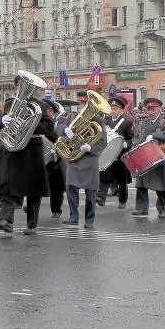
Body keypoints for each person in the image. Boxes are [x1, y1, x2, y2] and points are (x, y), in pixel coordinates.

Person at [0, 96, 52, 236]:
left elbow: (48, 127)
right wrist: (1, 120)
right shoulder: (10, 104)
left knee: (33, 189)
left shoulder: (40, 105)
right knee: (10, 185)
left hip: (32, 150)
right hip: (14, 149)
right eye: (18, 84)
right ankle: (6, 220)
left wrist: (27, 123)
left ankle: (32, 225)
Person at [58, 91, 106, 229]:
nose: (82, 106)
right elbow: (59, 127)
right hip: (74, 157)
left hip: (89, 158)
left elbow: (103, 142)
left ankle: (89, 220)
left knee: (90, 190)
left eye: (84, 103)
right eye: (80, 103)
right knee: (71, 186)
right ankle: (73, 217)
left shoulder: (98, 120)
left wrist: (90, 147)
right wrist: (65, 129)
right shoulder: (72, 116)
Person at [131, 97, 165, 220]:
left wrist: (153, 135)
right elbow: (136, 136)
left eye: (153, 109)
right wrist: (135, 144)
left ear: (159, 109)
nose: (150, 112)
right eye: (148, 109)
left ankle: (161, 208)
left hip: (160, 155)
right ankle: (141, 208)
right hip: (144, 155)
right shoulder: (142, 123)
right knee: (141, 184)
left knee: (161, 184)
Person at [97, 97, 134, 209]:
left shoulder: (127, 122)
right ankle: (101, 197)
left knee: (121, 180)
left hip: (120, 155)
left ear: (121, 110)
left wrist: (126, 144)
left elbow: (131, 139)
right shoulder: (106, 121)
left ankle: (122, 201)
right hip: (107, 153)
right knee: (104, 176)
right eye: (112, 108)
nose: (113, 110)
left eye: (116, 108)